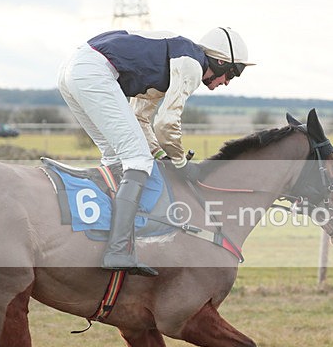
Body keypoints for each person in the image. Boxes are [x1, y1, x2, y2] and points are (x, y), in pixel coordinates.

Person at [58, 27, 255, 276]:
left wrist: (162, 155)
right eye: (232, 74)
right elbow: (166, 124)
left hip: (72, 71)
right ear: (220, 61)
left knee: (115, 156)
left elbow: (140, 118)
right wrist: (181, 163)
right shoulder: (192, 65)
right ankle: (118, 249)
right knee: (138, 161)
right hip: (93, 72)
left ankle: (105, 235)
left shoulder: (168, 61)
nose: (226, 82)